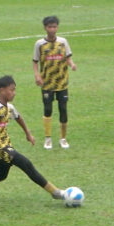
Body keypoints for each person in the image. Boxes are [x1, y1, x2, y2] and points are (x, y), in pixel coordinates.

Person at [32, 16, 77, 150]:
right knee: (48, 110)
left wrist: (72, 64)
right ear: (45, 28)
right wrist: (37, 75)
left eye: (54, 27)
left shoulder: (63, 42)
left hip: (62, 82)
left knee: (63, 110)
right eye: (50, 27)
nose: (52, 29)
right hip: (47, 83)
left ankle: (63, 138)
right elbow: (35, 61)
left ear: (57, 27)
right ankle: (48, 138)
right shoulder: (39, 44)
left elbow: (68, 57)